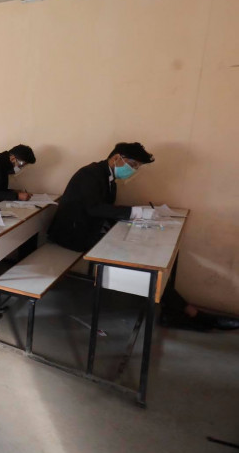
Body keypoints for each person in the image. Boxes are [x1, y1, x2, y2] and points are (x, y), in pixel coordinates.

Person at [48, 142, 238, 332]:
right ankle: (188, 313)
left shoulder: (108, 177)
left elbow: (105, 209)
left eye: (137, 167)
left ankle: (177, 311)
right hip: (71, 235)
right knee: (140, 258)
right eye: (133, 165)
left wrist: (137, 218)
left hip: (89, 229)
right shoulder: (90, 175)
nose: (134, 170)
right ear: (116, 158)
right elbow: (94, 208)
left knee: (146, 250)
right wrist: (135, 213)